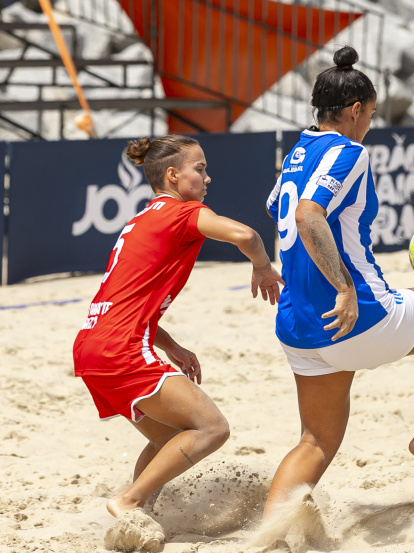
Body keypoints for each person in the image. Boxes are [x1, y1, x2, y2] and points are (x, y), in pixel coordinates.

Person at [263, 45, 414, 518]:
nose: (370, 124)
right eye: (372, 114)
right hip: (359, 318)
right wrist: (344, 288)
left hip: (299, 328)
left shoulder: (298, 150)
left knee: (315, 441)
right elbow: (306, 215)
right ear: (356, 110)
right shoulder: (350, 151)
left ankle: (269, 533)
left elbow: (277, 208)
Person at [72, 135, 284, 532]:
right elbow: (248, 236)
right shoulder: (182, 213)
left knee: (167, 439)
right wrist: (262, 267)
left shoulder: (139, 220)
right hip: (122, 349)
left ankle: (136, 517)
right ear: (172, 175)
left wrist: (172, 345)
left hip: (92, 345)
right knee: (212, 428)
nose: (207, 178)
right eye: (199, 169)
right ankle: (128, 500)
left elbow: (130, 302)